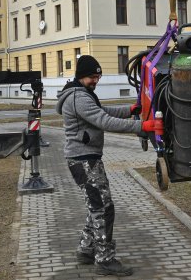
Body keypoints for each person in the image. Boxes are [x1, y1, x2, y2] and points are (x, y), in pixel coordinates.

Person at [56, 54, 154, 277]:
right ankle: (105, 260)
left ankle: (86, 248)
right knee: (104, 209)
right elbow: (104, 121)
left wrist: (130, 110)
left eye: (98, 76)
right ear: (81, 76)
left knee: (97, 205)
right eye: (92, 77)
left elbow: (103, 113)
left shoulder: (82, 94)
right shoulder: (78, 98)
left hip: (85, 159)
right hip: (84, 161)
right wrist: (142, 126)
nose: (96, 80)